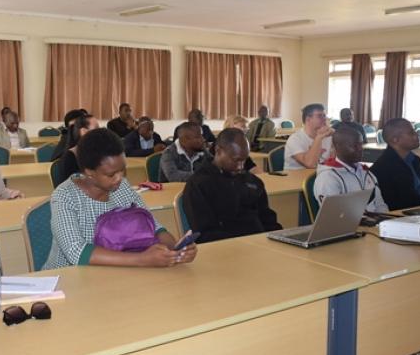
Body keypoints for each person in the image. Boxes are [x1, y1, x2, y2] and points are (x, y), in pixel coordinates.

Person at [42, 128, 196, 269]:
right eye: (111, 174)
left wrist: (176, 249)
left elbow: (153, 227)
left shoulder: (121, 187)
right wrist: (141, 259)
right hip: (69, 277)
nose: (119, 178)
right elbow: (76, 252)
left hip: (116, 272)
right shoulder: (65, 196)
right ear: (89, 172)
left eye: (122, 170)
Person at [182, 128, 281, 243]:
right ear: (218, 151)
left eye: (244, 161)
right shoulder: (199, 184)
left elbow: (268, 220)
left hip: (259, 245)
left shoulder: (253, 182)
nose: (240, 166)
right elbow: (204, 233)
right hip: (225, 248)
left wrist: (278, 239)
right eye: (236, 160)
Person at [313, 126, 388, 212]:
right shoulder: (328, 178)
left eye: (361, 144)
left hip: (374, 223)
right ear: (337, 147)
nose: (360, 149)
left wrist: (385, 222)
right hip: (347, 224)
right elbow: (334, 215)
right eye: (354, 146)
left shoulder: (366, 172)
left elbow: (380, 205)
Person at [370, 118, 420, 210]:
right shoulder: (383, 168)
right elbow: (398, 203)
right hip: (405, 216)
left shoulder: (415, 160)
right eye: (411, 133)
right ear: (395, 139)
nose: (417, 135)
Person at [53, 114, 100, 187]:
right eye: (96, 128)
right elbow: (75, 187)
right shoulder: (70, 157)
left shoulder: (97, 152)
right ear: (83, 131)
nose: (100, 132)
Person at [284, 103, 334, 170]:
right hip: (296, 178)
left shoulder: (328, 137)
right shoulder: (295, 139)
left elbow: (336, 161)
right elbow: (310, 164)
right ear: (308, 119)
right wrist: (319, 138)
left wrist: (337, 137)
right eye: (319, 116)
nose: (324, 119)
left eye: (324, 116)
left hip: (320, 177)